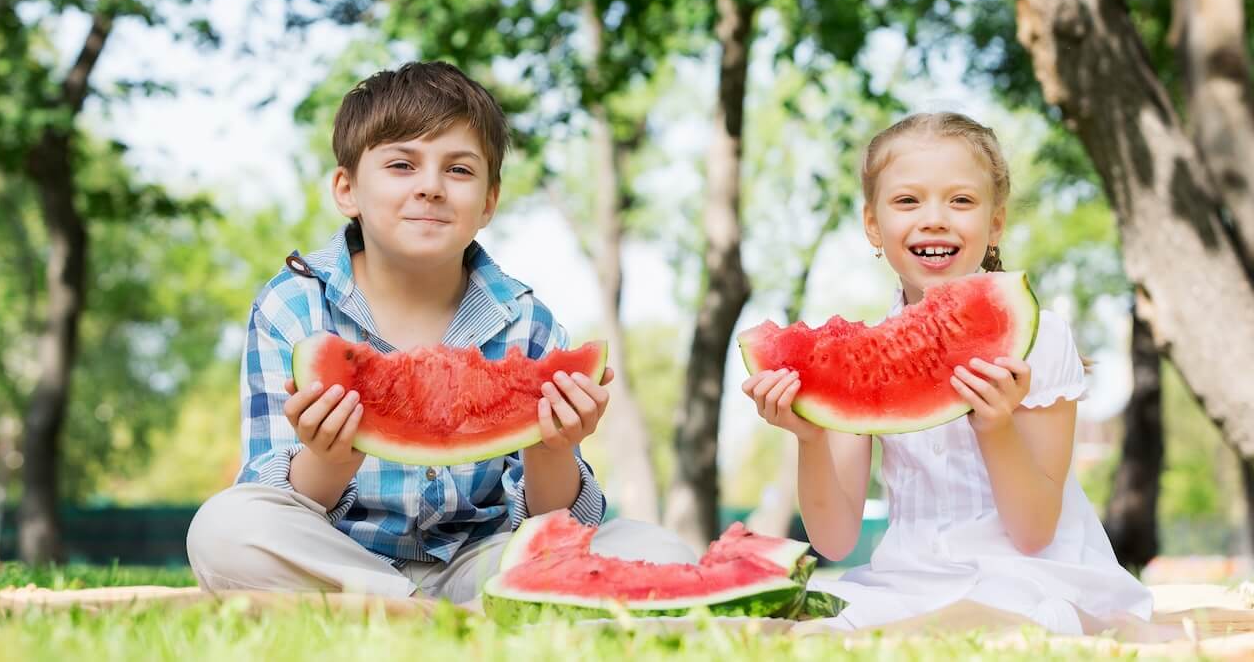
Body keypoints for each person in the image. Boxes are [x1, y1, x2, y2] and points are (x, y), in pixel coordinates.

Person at [187, 61, 692, 602]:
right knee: (223, 529)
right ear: (347, 189)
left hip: (484, 562)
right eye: (402, 164)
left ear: (489, 202)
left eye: (459, 170)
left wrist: (554, 448)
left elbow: (555, 525)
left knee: (657, 549)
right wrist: (328, 462)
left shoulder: (528, 322)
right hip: (338, 557)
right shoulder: (293, 307)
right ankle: (449, 616)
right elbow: (273, 493)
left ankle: (423, 613)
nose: (430, 187)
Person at [742, 112, 1152, 634]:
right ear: (873, 224)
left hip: (1032, 577)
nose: (935, 218)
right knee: (818, 625)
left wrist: (995, 426)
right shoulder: (862, 358)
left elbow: (1034, 531)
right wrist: (811, 436)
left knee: (1005, 619)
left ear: (995, 223)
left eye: (961, 200)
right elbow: (835, 540)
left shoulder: (1041, 339)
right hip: (908, 583)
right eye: (907, 201)